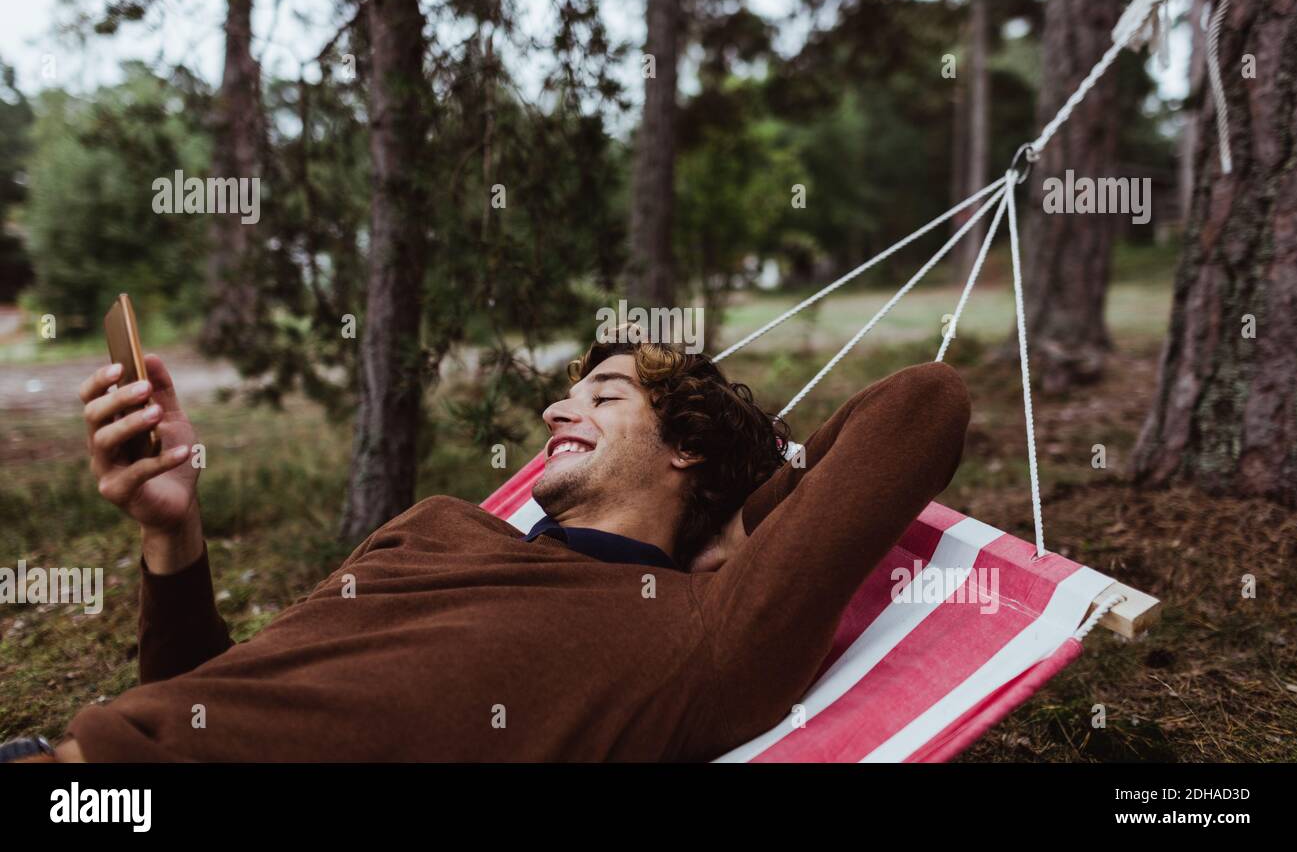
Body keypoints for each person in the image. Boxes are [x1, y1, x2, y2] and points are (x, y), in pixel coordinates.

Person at [9, 335, 970, 762]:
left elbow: (920, 404)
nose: (559, 407)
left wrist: (742, 527)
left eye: (606, 396)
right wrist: (172, 529)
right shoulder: (438, 525)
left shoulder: (702, 639)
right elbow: (205, 704)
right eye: (567, 394)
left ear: (686, 448)